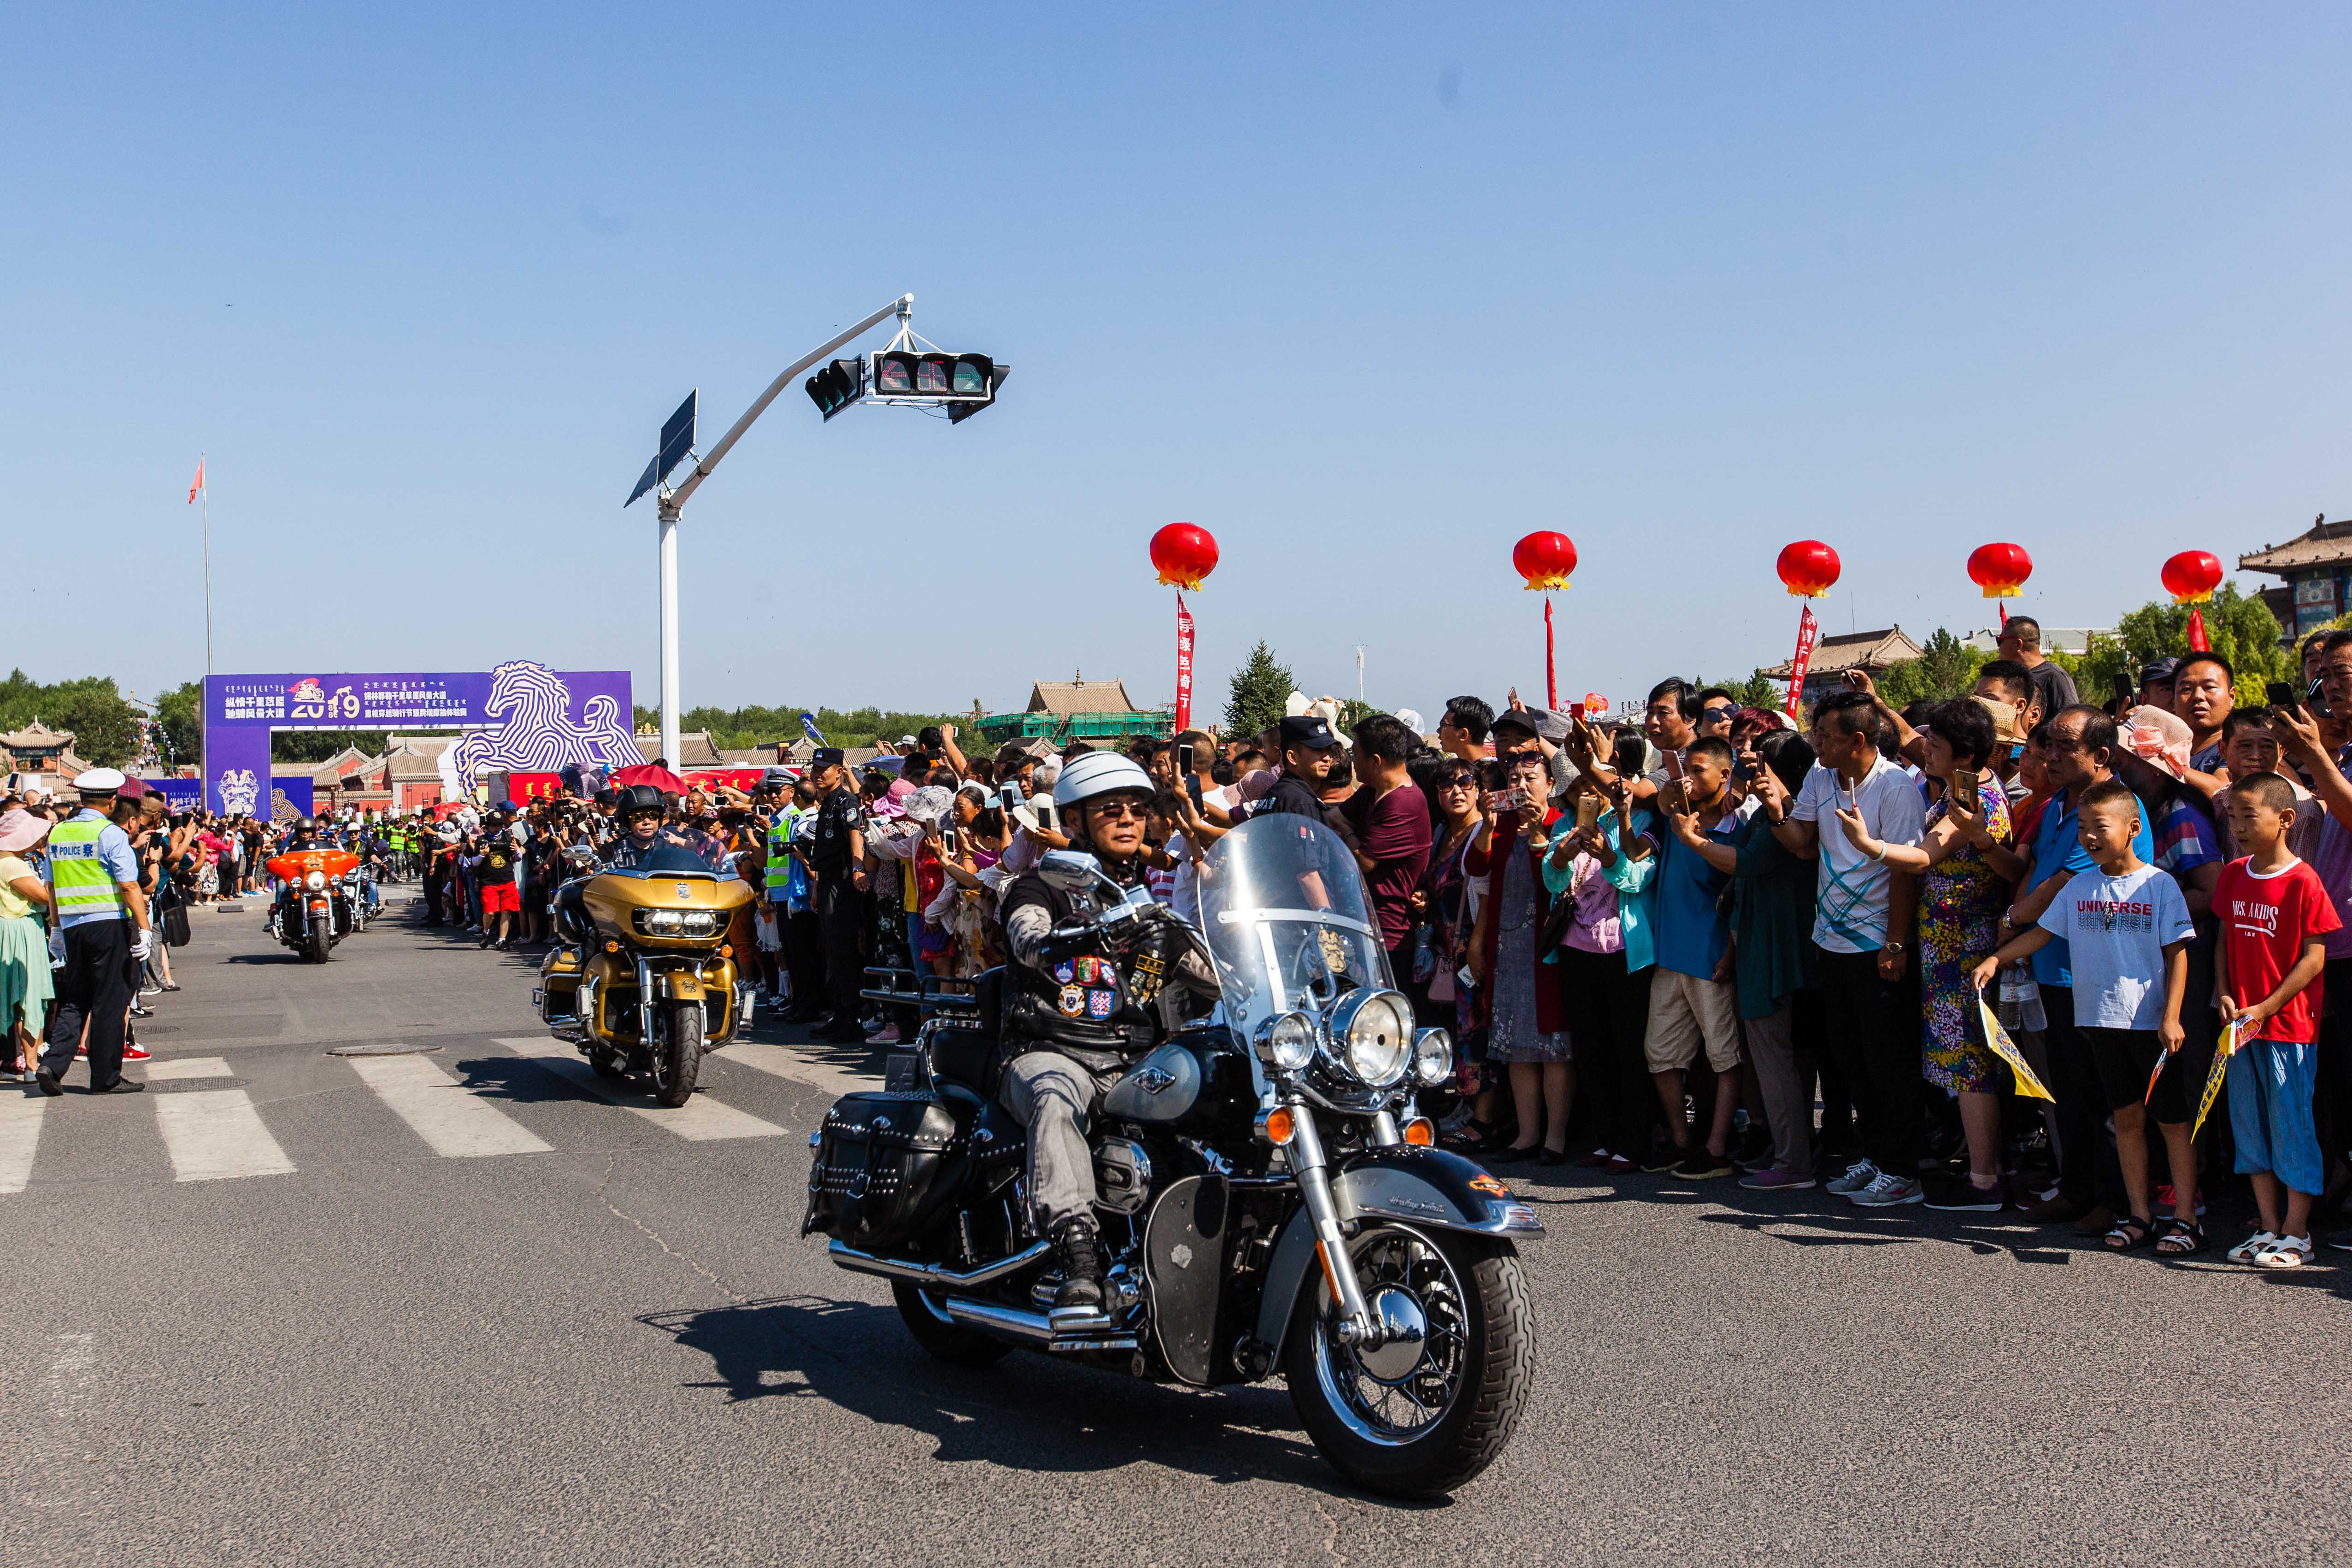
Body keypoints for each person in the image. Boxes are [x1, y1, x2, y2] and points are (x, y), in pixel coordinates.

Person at [998, 751, 1213, 1309]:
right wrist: (1074, 938)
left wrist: (1297, 973)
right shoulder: (1036, 887)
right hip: (1054, 1048)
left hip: (1135, 1060)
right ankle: (1078, 1251)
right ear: (1074, 821)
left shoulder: (1149, 904)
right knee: (1053, 1095)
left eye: (1137, 810)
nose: (1127, 819)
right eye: (1110, 809)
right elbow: (1028, 940)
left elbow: (1217, 977)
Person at [1974, 780, 2198, 1252]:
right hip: (2099, 1023)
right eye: (2082, 827)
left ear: (2133, 828)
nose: (2089, 836)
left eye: (2100, 826)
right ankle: (2138, 1213)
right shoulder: (2079, 886)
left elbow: (2178, 953)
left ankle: (2183, 1218)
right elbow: (2042, 934)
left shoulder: (2160, 885)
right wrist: (1998, 958)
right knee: (2126, 1119)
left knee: (2173, 1122)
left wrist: (2173, 1015)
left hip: (2151, 1024)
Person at [1834, 698, 2023, 1209]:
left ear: (1962, 754)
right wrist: (1876, 700)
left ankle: (1984, 1179)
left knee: (1968, 1065)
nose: (1925, 750)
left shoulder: (1971, 805)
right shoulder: (1966, 783)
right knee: (1958, 1061)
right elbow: (1914, 746)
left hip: (1963, 946)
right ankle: (1980, 1170)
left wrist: (1869, 844)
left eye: (1935, 744)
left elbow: (1921, 857)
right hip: (1948, 944)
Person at [1770, 689, 1929, 1207]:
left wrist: (1896, 942)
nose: (1815, 742)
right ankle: (1876, 1155)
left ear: (1857, 740)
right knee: (1850, 1058)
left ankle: (1902, 1169)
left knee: (1888, 1060)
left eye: (1824, 735)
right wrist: (1775, 810)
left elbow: (1905, 869)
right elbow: (1800, 841)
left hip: (1878, 943)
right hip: (1830, 940)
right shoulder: (1821, 776)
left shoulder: (1896, 787)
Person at [2003, 706, 2155, 1232]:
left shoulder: (2116, 809)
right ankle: (2077, 1190)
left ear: (2102, 755)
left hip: (2098, 977)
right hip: (2050, 970)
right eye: (2048, 744)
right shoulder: (2055, 807)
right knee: (2067, 1090)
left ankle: (2116, 1201)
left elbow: (2064, 885)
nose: (2050, 754)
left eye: (2064, 746)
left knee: (2107, 1096)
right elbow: (2031, 874)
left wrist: (2013, 921)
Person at [2211, 772, 2340, 1268]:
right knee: (2250, 1126)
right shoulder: (2233, 873)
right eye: (2232, 816)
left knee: (2291, 1125)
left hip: (2288, 1029)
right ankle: (2267, 1226)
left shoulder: (2304, 880)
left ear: (2285, 819)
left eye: (2249, 815)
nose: (2238, 826)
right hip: (2239, 1029)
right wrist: (2224, 993)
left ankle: (2297, 1232)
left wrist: (2266, 1006)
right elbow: (2223, 941)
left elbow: (2314, 958)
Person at [1543, 766, 1658, 1173]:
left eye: (1593, 785)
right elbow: (1553, 881)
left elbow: (1639, 878)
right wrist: (1563, 854)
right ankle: (1605, 1138)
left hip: (1626, 951)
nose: (1587, 794)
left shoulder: (1639, 819)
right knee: (1591, 1048)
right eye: (1577, 789)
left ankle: (1635, 1141)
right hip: (1577, 948)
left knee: (1630, 1048)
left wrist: (1609, 855)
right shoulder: (1565, 824)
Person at [1465, 737, 1573, 1163]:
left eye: (1531, 777)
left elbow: (1553, 883)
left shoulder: (1560, 821)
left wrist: (1539, 834)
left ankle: (1557, 1138)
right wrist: (1489, 827)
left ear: (1550, 782)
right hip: (1508, 945)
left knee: (1553, 1043)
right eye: (1514, 778)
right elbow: (1476, 869)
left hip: (1548, 947)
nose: (1522, 785)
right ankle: (1527, 1135)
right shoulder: (1501, 822)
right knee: (1516, 1046)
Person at [1649, 736, 1747, 1178]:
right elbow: (1665, 791)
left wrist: (1730, 952)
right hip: (1670, 956)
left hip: (1710, 958)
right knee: (1661, 1054)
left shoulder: (1734, 825)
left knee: (1725, 1056)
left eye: (1701, 769)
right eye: (1686, 767)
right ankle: (1682, 1141)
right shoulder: (1676, 814)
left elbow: (1737, 892)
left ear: (1726, 775)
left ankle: (1717, 1149)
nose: (1690, 776)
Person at [35, 769, 152, 1097]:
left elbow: (52, 886)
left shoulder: (57, 833)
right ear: (112, 800)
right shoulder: (110, 834)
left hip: (72, 927)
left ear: (81, 798)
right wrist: (144, 929)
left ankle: (53, 1064)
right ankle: (105, 1077)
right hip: (108, 924)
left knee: (75, 999)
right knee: (109, 1001)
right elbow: (129, 885)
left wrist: (57, 928)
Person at [1338, 715, 1433, 977]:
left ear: (1376, 761)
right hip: (1365, 925)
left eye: (1356, 754)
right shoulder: (1373, 791)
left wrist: (1347, 831)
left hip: (1392, 937)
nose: (1352, 760)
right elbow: (1334, 816)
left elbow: (1365, 861)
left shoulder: (1403, 803)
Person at [0, 808, 55, 1083]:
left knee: (16, 998)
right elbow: (43, 896)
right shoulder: (13, 864)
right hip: (20, 931)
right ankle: (32, 1064)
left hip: (9, 929)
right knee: (28, 998)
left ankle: (29, 1061)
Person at [1995, 616, 2080, 727]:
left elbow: (2070, 723)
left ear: (2018, 644)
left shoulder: (2056, 677)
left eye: (2000, 641)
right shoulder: (2009, 677)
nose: (1998, 647)